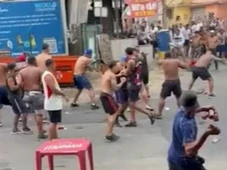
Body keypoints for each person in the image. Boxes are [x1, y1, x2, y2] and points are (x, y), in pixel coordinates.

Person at [168, 91, 220, 170]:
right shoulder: (187, 124)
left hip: (173, 157)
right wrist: (207, 133)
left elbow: (190, 109)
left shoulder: (180, 111)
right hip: (184, 162)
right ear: (194, 105)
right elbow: (188, 151)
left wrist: (203, 109)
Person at [124, 47, 155, 127]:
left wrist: (124, 71)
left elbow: (127, 72)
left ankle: (148, 113)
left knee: (131, 104)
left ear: (127, 53)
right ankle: (133, 120)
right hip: (138, 82)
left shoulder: (131, 61)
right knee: (132, 102)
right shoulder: (139, 59)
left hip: (132, 83)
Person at [19, 57, 47, 139]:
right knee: (39, 114)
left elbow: (20, 84)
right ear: (34, 62)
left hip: (27, 94)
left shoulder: (22, 71)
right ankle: (40, 132)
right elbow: (44, 82)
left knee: (34, 113)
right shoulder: (39, 70)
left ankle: (37, 129)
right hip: (36, 93)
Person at [41, 59, 68, 140]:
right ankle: (51, 139)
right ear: (51, 64)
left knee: (54, 121)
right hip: (52, 102)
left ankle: (55, 137)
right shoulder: (48, 76)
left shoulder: (49, 75)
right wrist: (63, 94)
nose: (55, 66)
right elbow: (53, 89)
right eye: (55, 64)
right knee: (53, 122)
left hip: (54, 102)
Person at [100, 61, 127, 141]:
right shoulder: (112, 75)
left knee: (110, 114)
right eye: (118, 67)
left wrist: (118, 75)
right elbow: (116, 88)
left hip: (103, 95)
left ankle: (109, 132)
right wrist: (122, 82)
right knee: (114, 114)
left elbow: (109, 79)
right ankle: (109, 134)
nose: (119, 69)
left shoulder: (107, 72)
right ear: (114, 67)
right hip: (107, 96)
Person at [157, 52, 187, 119]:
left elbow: (158, 62)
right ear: (172, 56)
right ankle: (182, 112)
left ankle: (159, 113)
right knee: (178, 97)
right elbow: (185, 66)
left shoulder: (163, 62)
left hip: (167, 81)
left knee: (162, 97)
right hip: (176, 80)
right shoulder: (176, 61)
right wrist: (183, 59)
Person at [6, 63, 31, 134]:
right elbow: (12, 88)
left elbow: (21, 69)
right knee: (24, 111)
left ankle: (15, 129)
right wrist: (20, 85)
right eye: (16, 67)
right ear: (13, 68)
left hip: (16, 97)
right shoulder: (10, 77)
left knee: (17, 113)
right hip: (14, 97)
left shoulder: (13, 75)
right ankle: (24, 127)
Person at [36, 43, 52, 121]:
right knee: (48, 96)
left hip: (39, 78)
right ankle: (47, 114)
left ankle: (42, 114)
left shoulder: (37, 57)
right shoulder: (49, 57)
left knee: (41, 96)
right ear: (47, 48)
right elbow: (51, 68)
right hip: (47, 77)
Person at [114, 62, 128, 127]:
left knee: (127, 103)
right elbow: (111, 76)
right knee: (120, 105)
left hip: (125, 88)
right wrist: (119, 74)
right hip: (119, 89)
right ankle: (115, 119)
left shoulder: (125, 69)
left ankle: (121, 113)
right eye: (120, 65)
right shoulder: (115, 71)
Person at [0, 62, 11, 127]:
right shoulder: (2, 65)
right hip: (3, 86)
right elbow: (12, 69)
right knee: (12, 102)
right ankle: (20, 115)